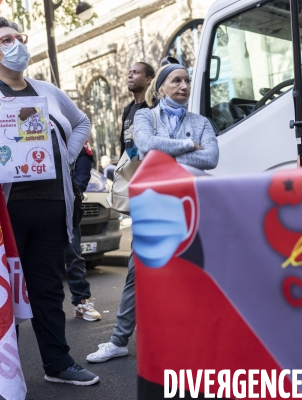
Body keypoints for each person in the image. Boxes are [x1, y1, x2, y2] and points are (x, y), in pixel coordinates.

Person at [0, 17, 99, 394]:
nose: (18, 43)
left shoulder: (47, 90)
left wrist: (67, 160)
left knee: (48, 292)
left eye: (19, 37)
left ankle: (58, 363)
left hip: (51, 207)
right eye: (6, 40)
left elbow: (82, 122)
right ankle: (1, 376)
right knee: (4, 294)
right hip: (5, 215)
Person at [86, 63, 219, 363]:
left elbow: (211, 157)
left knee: (194, 272)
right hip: (154, 205)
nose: (183, 86)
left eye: (187, 80)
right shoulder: (146, 116)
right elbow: (146, 145)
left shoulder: (201, 122)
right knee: (138, 271)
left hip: (192, 206)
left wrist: (166, 152)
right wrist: (186, 145)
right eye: (176, 81)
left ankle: (199, 338)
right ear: (160, 88)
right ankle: (119, 341)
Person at [65, 141, 102, 322]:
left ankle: (81, 301)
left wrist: (75, 190)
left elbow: (84, 158)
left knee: (73, 253)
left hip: (66, 202)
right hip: (35, 198)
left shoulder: (69, 121)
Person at [119, 62, 155, 158]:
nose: (130, 76)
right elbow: (123, 145)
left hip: (149, 167)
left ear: (148, 80)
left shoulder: (155, 106)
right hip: (130, 169)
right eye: (129, 73)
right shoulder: (127, 110)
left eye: (135, 72)